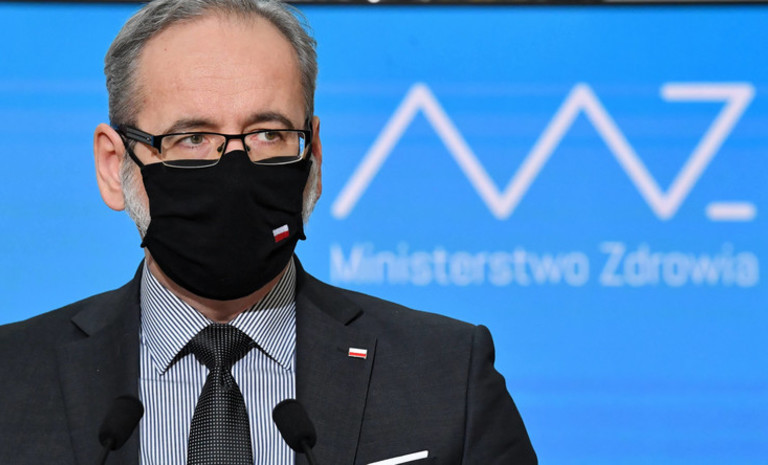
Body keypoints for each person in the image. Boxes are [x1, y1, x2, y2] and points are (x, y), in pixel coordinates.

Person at [0, 1, 536, 464]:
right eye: (192, 138)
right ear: (112, 166)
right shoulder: (12, 379)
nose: (235, 171)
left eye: (268, 134)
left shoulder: (447, 377)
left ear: (314, 156)